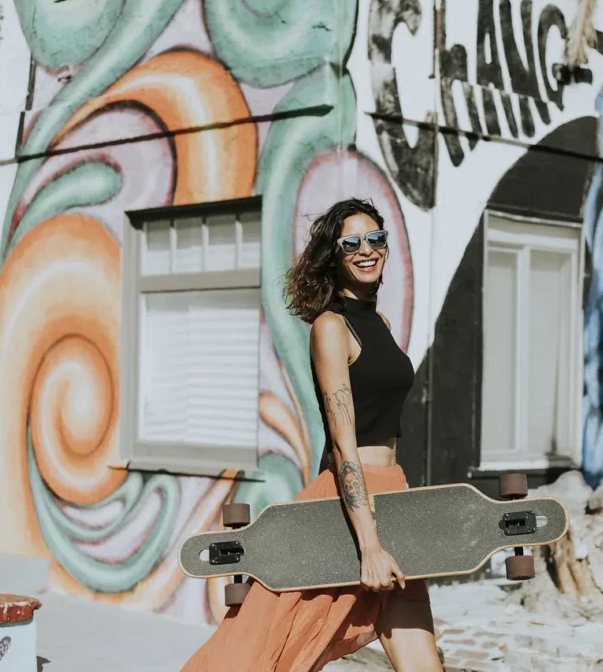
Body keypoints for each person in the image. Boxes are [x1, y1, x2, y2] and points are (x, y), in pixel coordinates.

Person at [181, 198, 443, 672]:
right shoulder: (330, 326)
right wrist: (369, 546)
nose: (366, 250)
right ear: (334, 255)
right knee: (264, 651)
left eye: (375, 239)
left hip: (392, 496)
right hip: (346, 509)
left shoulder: (379, 324)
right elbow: (344, 443)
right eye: (351, 243)